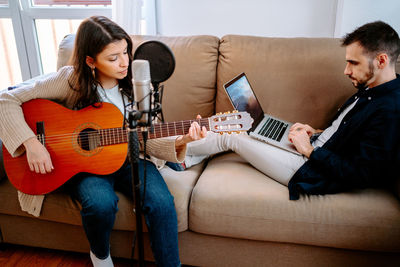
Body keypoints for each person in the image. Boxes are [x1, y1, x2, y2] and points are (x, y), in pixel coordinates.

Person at [0, 16, 206, 267]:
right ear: (90, 61)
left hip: (132, 158)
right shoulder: (70, 80)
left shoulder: (139, 86)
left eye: (125, 52)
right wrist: (30, 143)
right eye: (113, 58)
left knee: (162, 204)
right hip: (86, 166)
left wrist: (182, 139)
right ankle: (100, 255)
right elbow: (6, 100)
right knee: (100, 204)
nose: (124, 63)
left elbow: (144, 139)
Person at [185, 20, 400, 200]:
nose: (346, 71)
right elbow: (346, 133)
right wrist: (314, 132)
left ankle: (175, 155)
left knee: (233, 135)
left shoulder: (390, 109)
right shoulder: (371, 88)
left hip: (310, 170)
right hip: (311, 149)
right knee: (245, 125)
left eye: (353, 63)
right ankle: (181, 151)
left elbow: (361, 174)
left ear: (381, 60)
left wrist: (309, 151)